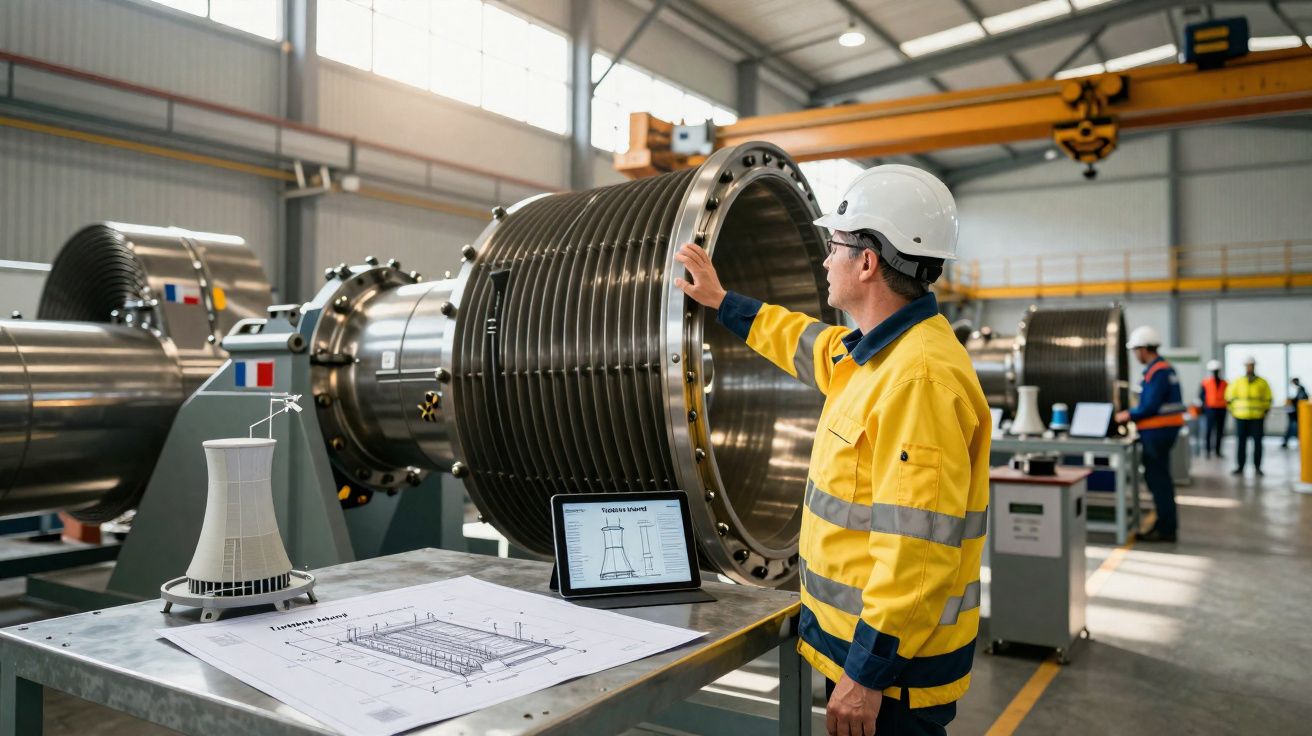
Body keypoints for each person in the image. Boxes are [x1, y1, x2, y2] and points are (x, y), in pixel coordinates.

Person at [675, 165, 989, 736]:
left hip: (892, 679)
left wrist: (866, 675)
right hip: (860, 652)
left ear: (866, 263)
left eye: (835, 246)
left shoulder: (917, 381)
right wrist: (722, 302)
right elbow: (803, 341)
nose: (825, 261)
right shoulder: (873, 354)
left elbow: (917, 556)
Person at [1115, 327, 1186, 543]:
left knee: (1158, 480)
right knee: (1159, 478)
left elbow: (1150, 406)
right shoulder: (1164, 368)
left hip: (1157, 431)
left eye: (1136, 350)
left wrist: (1127, 415)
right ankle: (1165, 525)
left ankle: (1165, 529)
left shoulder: (1157, 372)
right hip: (1162, 431)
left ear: (1144, 349)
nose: (1135, 355)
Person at [1226, 357, 1272, 475]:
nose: (1249, 367)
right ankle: (1240, 467)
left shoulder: (1262, 382)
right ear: (1245, 367)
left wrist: (1265, 411)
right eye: (1248, 365)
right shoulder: (1238, 382)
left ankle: (1257, 467)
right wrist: (1233, 411)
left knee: (1258, 443)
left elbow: (1268, 398)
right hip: (1241, 417)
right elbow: (1229, 398)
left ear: (1254, 366)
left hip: (1257, 417)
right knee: (1241, 442)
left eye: (1251, 365)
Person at [1197, 359, 1228, 458]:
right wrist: (1204, 406)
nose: (1215, 373)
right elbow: (1201, 395)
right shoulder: (1205, 382)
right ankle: (1207, 451)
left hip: (1222, 409)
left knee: (1220, 431)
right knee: (1209, 430)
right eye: (1214, 371)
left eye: (1216, 371)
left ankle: (1218, 451)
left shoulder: (1225, 383)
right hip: (1210, 409)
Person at [1283, 377, 1307, 449]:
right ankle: (1287, 441)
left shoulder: (1301, 389)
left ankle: (1287, 441)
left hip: (1295, 413)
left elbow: (1301, 400)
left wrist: (1292, 401)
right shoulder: (1299, 389)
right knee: (1293, 427)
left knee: (1293, 427)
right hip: (1293, 413)